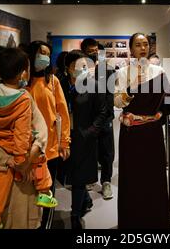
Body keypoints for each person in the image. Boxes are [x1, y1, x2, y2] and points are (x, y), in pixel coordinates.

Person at [0, 48, 56, 229]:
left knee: (24, 219)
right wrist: (17, 160)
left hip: (24, 171)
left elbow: (40, 127)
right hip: (3, 167)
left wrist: (34, 151)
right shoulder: (16, 97)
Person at [114, 33, 170, 229]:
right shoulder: (123, 73)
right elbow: (117, 101)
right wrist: (130, 91)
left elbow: (166, 99)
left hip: (153, 133)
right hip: (131, 135)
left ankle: (155, 223)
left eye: (145, 44)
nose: (142, 48)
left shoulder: (158, 71)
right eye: (138, 45)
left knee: (154, 179)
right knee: (133, 180)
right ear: (131, 49)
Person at [61, 50, 108, 229]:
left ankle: (75, 215)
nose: (81, 69)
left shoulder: (94, 85)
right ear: (68, 68)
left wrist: (89, 133)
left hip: (84, 138)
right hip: (64, 136)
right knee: (69, 174)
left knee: (79, 177)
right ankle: (86, 200)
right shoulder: (61, 85)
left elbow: (103, 113)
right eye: (77, 66)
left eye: (84, 65)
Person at [27, 41, 71, 229]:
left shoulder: (53, 81)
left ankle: (45, 225)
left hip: (50, 147)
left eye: (46, 53)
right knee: (28, 194)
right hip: (26, 147)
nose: (43, 57)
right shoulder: (21, 80)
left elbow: (62, 112)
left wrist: (65, 142)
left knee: (46, 194)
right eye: (39, 53)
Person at [81, 38, 115, 199]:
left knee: (107, 150)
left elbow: (110, 95)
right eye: (90, 52)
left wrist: (105, 116)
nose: (94, 54)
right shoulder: (81, 71)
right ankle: (90, 178)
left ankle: (106, 181)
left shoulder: (108, 70)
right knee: (89, 149)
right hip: (88, 118)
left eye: (96, 51)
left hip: (105, 116)